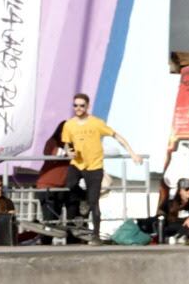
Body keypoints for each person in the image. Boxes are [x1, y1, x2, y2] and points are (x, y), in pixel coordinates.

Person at [61, 93, 143, 244]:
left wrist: (132, 153)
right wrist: (68, 151)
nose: (78, 108)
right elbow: (66, 143)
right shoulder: (69, 124)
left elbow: (116, 136)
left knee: (94, 203)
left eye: (81, 105)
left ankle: (96, 235)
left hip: (94, 166)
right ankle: (84, 198)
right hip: (77, 164)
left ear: (87, 106)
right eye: (75, 105)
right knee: (70, 185)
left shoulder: (96, 123)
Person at [160, 178, 189, 243]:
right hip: (170, 229)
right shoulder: (170, 202)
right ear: (180, 191)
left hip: (185, 230)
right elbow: (160, 212)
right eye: (187, 189)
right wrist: (162, 217)